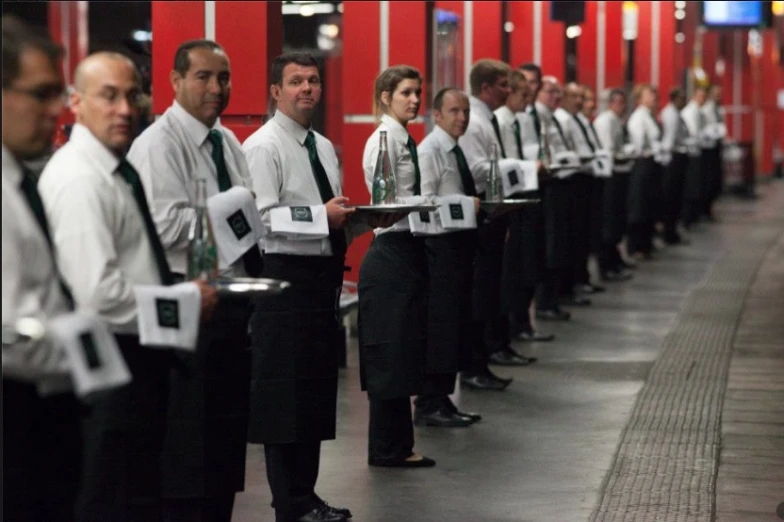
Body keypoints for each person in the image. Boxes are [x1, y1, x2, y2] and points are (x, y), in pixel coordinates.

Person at [38, 51, 217, 521]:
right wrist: (183, 304)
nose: (124, 108)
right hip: (110, 373)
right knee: (112, 501)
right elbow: (99, 297)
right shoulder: (81, 179)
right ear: (75, 102)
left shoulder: (114, 171)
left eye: (132, 95)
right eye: (108, 96)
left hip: (135, 366)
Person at [126, 39, 261, 522]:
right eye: (203, 76)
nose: (216, 88)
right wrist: (222, 216)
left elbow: (252, 209)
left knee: (224, 446)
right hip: (189, 313)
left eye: (223, 78)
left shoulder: (226, 142)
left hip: (232, 308)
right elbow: (162, 226)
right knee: (189, 452)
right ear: (175, 81)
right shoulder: (158, 144)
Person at [242, 51, 381, 522]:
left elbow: (324, 212)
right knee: (286, 396)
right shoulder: (263, 146)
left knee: (316, 393)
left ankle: (308, 493)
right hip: (283, 282)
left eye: (314, 80)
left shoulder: (320, 145)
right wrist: (322, 217)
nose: (307, 89)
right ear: (275, 91)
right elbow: (260, 218)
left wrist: (355, 222)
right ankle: (290, 503)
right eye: (296, 81)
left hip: (321, 280)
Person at [2, 15, 81, 521]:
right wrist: (88, 349)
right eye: (41, 94)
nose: (56, 110)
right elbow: (12, 335)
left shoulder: (19, 179)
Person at [359, 64, 436, 467]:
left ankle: (398, 445)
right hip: (391, 250)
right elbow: (384, 202)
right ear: (386, 97)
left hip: (407, 246)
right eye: (406, 92)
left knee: (402, 348)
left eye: (418, 92)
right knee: (391, 351)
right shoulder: (384, 141)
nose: (415, 100)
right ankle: (387, 448)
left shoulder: (403, 138)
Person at [413, 87, 484, 427]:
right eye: (454, 111)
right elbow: (424, 204)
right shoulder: (429, 151)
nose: (462, 118)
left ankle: (444, 398)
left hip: (458, 246)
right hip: (438, 249)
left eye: (466, 111)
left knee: (455, 326)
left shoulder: (454, 150)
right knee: (439, 328)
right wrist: (466, 206)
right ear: (437, 115)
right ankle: (429, 402)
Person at [458, 58, 515, 391]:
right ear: (485, 87)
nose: (508, 91)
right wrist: (512, 167)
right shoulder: (476, 122)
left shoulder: (485, 120)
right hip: (478, 211)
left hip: (491, 211)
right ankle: (473, 365)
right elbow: (478, 169)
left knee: (489, 289)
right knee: (479, 292)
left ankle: (482, 360)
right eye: (503, 85)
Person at [490, 68, 539, 366]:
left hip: (520, 192)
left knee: (519, 267)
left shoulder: (517, 120)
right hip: (508, 195)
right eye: (521, 93)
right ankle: (500, 337)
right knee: (507, 273)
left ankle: (510, 333)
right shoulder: (500, 120)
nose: (524, 99)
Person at [515, 62, 555, 343]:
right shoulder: (510, 116)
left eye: (534, 83)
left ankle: (524, 323)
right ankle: (516, 325)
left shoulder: (532, 116)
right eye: (525, 82)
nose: (530, 88)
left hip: (538, 187)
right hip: (520, 192)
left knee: (534, 258)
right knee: (520, 263)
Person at [534, 76, 577, 321]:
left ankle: (552, 297)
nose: (554, 97)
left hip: (562, 181)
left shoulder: (552, 116)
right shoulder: (537, 115)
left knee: (559, 242)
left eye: (556, 92)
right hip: (549, 184)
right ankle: (544, 301)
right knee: (550, 244)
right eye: (549, 91)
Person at [556, 82, 599, 306]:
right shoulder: (563, 119)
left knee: (581, 235)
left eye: (581, 97)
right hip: (571, 180)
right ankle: (570, 284)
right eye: (574, 96)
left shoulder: (573, 119)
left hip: (582, 177)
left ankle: (579, 280)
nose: (579, 102)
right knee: (571, 237)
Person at [593, 88, 634, 281]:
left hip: (619, 174)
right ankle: (606, 265)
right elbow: (609, 151)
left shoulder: (616, 121)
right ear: (610, 103)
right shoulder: (606, 121)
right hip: (610, 176)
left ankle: (614, 260)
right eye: (618, 102)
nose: (622, 106)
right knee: (608, 222)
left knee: (616, 220)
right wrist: (626, 153)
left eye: (623, 102)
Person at [626, 83, 663, 260]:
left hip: (651, 164)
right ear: (639, 98)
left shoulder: (650, 116)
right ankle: (636, 246)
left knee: (649, 204)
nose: (654, 98)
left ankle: (646, 243)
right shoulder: (638, 117)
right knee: (639, 205)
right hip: (642, 164)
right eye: (650, 95)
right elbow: (639, 145)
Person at [658, 87, 690, 244]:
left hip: (676, 157)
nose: (685, 101)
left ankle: (672, 231)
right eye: (682, 98)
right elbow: (669, 139)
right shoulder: (671, 115)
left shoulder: (676, 113)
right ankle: (669, 233)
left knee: (676, 198)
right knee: (671, 198)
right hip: (672, 160)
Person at [680, 86, 708, 229]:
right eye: (700, 96)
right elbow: (694, 133)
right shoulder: (691, 112)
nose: (703, 99)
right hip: (691, 153)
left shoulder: (698, 111)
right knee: (691, 187)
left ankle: (693, 216)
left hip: (696, 151)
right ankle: (688, 218)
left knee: (697, 186)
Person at [700, 84, 724, 220]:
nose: (718, 96)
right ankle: (705, 208)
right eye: (715, 94)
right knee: (708, 179)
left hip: (715, 146)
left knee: (715, 179)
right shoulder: (707, 110)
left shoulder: (718, 109)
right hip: (708, 148)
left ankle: (710, 207)